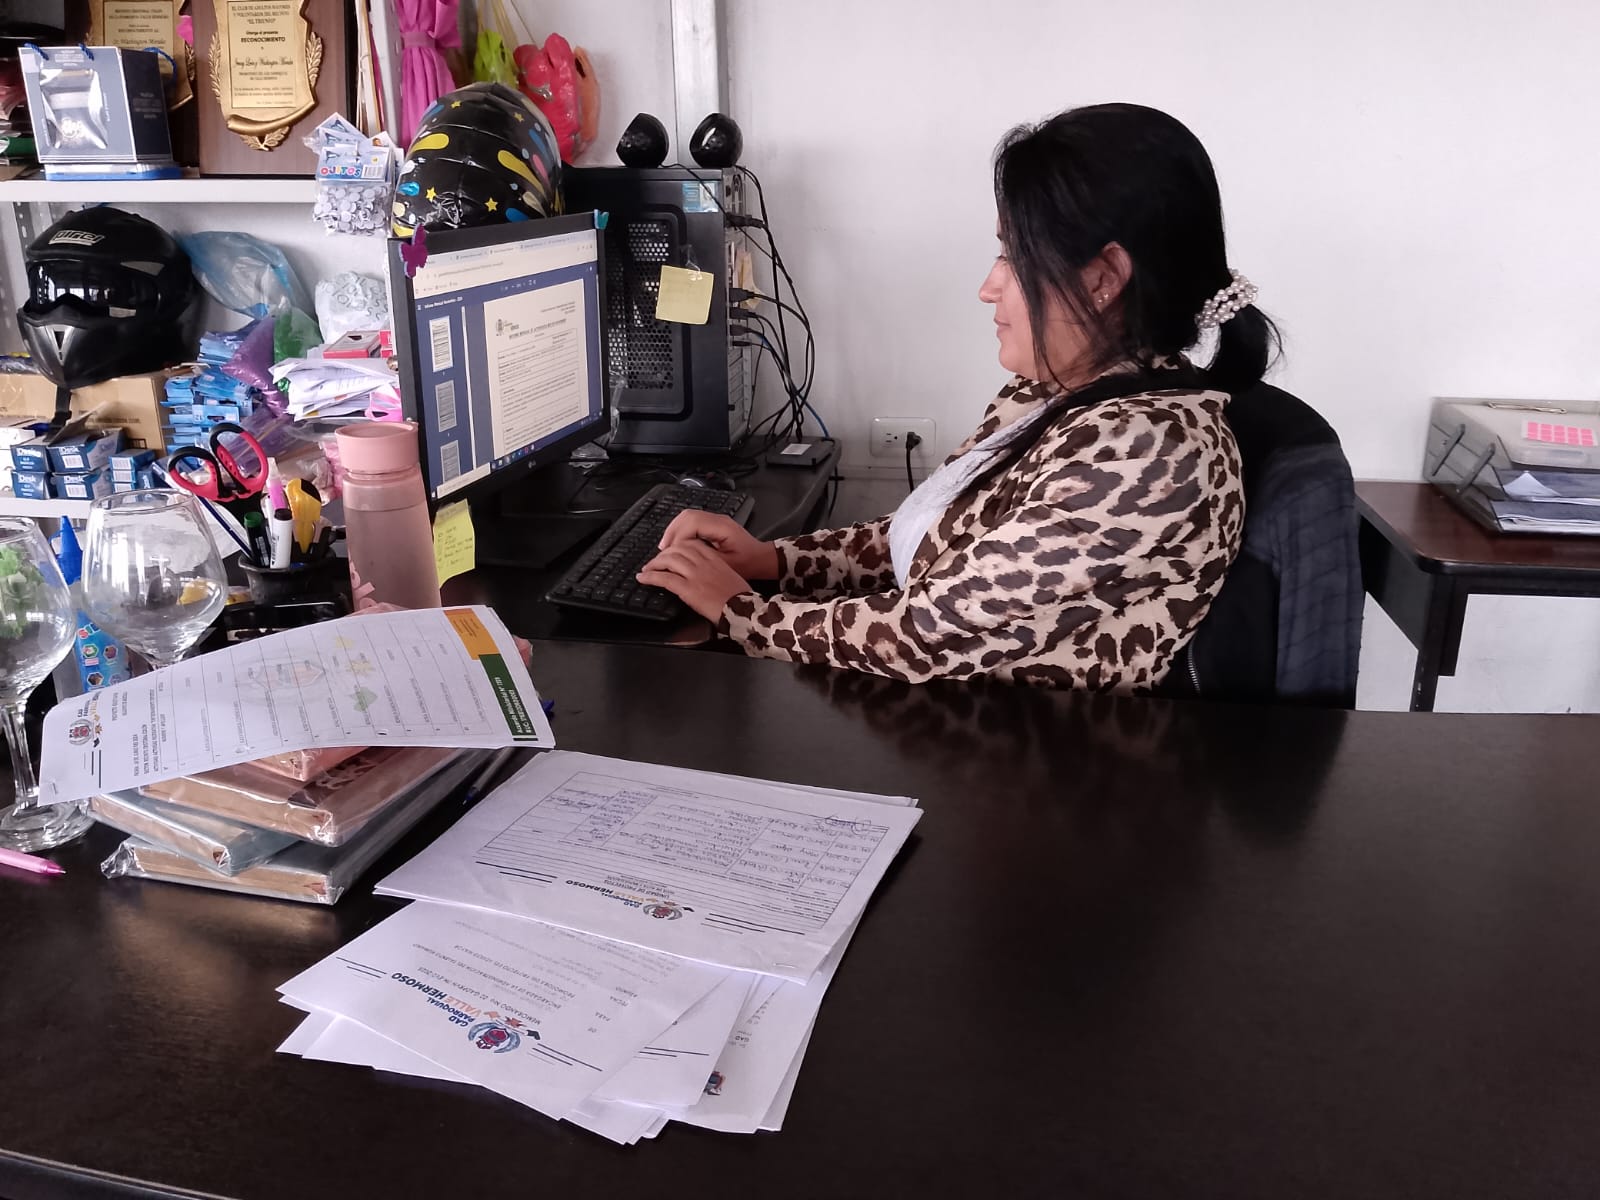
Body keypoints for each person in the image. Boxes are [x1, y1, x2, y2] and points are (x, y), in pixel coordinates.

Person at [638, 103, 1277, 690]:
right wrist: (774, 561)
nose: (988, 287)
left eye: (1014, 257)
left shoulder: (1146, 455)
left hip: (1022, 756)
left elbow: (921, 637)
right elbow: (945, 546)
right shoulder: (1060, 392)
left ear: (1102, 279)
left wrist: (738, 611)